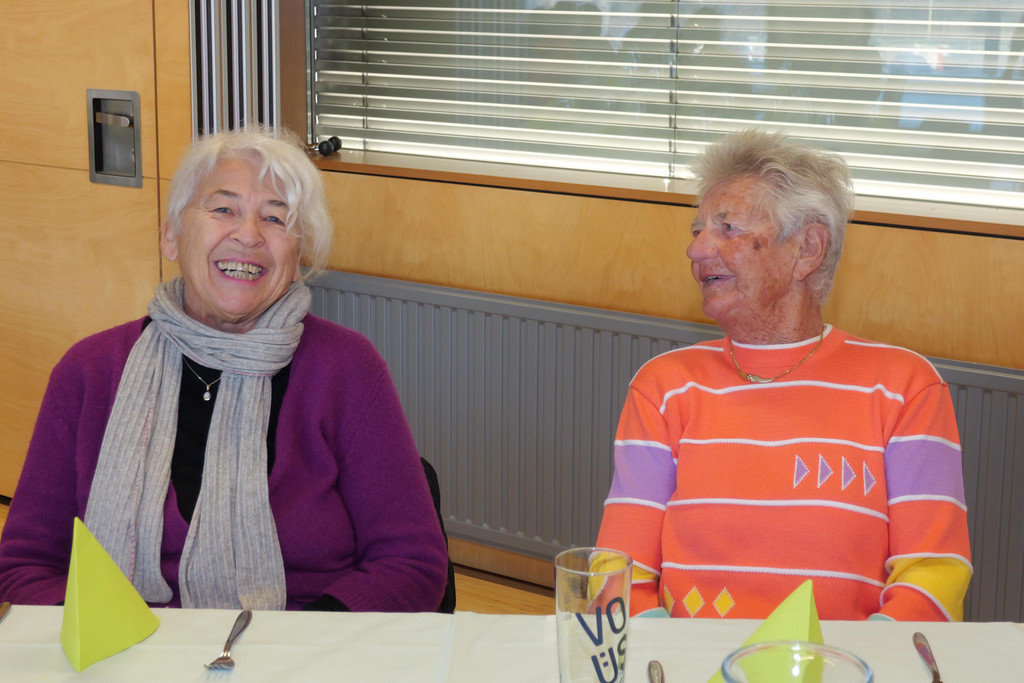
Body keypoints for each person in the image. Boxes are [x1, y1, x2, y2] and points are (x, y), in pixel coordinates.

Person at [0, 128, 450, 612]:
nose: (249, 235)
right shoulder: (89, 372)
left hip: (301, 640)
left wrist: (306, 640)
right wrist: (101, 635)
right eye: (223, 209)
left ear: (297, 255)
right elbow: (24, 565)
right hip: (125, 643)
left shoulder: (347, 368)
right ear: (171, 236)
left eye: (275, 218)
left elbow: (411, 561)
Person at [595, 129, 972, 621]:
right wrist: (668, 654)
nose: (697, 250)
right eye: (697, 230)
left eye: (727, 227)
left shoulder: (905, 388)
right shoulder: (663, 386)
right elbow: (618, 569)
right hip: (687, 657)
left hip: (846, 660)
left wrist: (860, 660)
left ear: (807, 249)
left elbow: (934, 574)